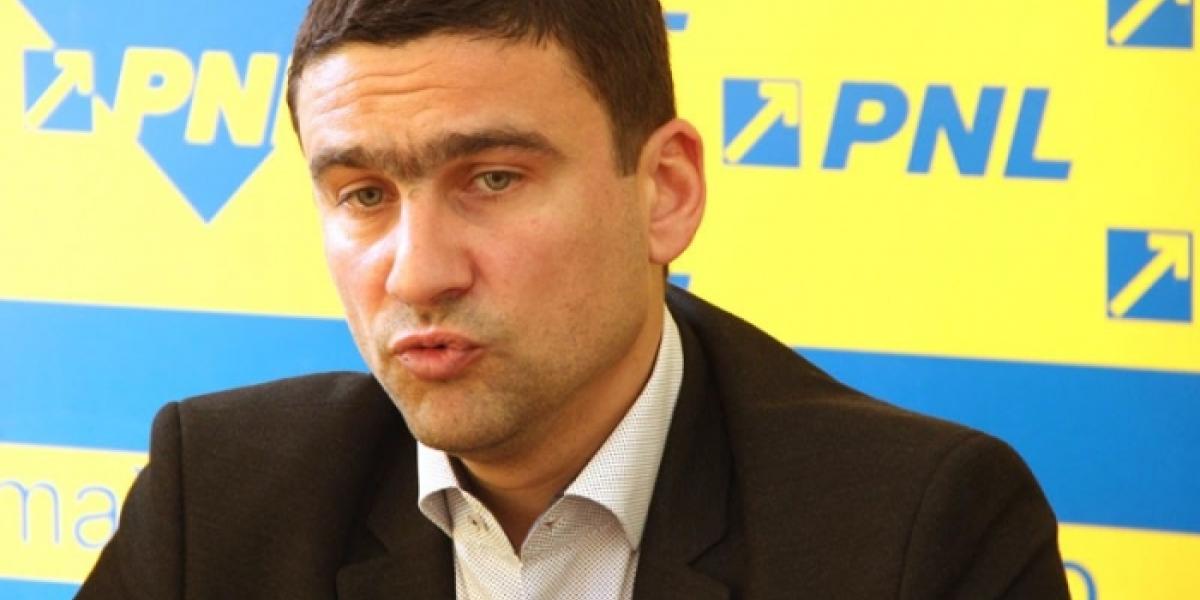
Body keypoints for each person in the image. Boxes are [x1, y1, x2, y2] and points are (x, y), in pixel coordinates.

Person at [78, 1, 1070, 598]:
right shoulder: (219, 496)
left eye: (492, 179)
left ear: (665, 192)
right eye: (364, 195)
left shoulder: (913, 531)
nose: (417, 274)